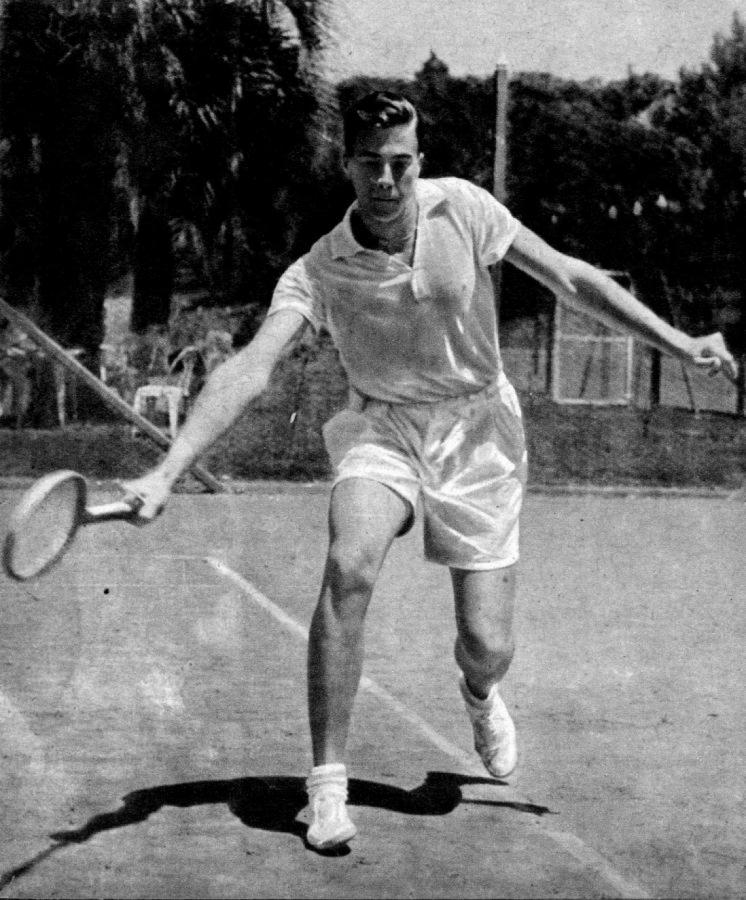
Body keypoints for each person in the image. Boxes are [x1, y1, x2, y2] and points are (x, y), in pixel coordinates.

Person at [123, 91, 738, 852]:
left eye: (401, 164)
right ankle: (326, 790)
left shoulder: (466, 210)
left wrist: (678, 342)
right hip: (382, 427)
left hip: (480, 434)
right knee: (349, 562)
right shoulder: (319, 268)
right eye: (370, 164)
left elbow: (571, 278)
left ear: (419, 160)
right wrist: (168, 468)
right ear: (347, 163)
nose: (387, 180)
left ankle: (480, 693)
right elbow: (251, 366)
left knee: (488, 643)